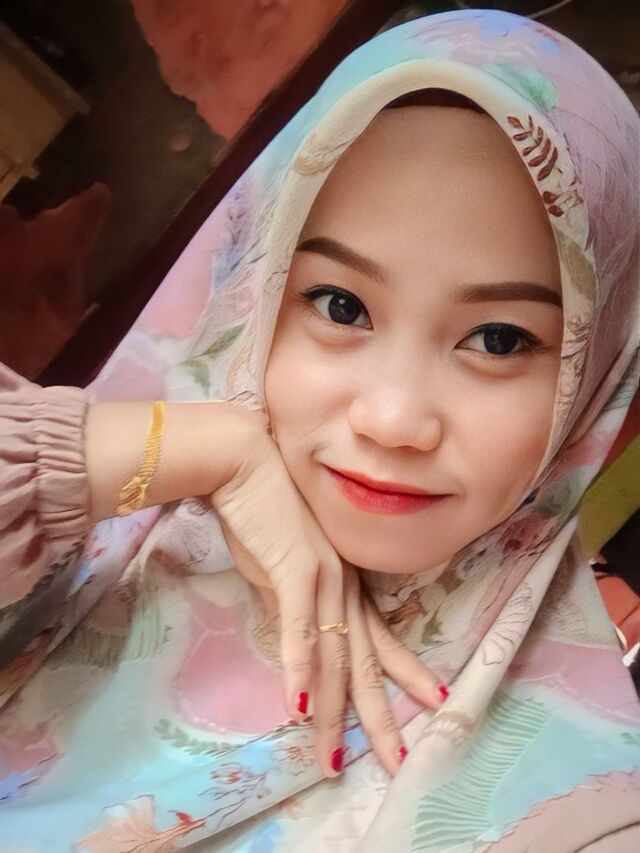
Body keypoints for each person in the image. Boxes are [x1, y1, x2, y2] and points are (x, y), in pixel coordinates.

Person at [0, 7, 639, 851]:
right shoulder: (87, 508)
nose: (392, 419)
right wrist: (201, 449)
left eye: (498, 339)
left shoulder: (574, 791)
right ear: (254, 291)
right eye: (340, 305)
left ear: (594, 375)